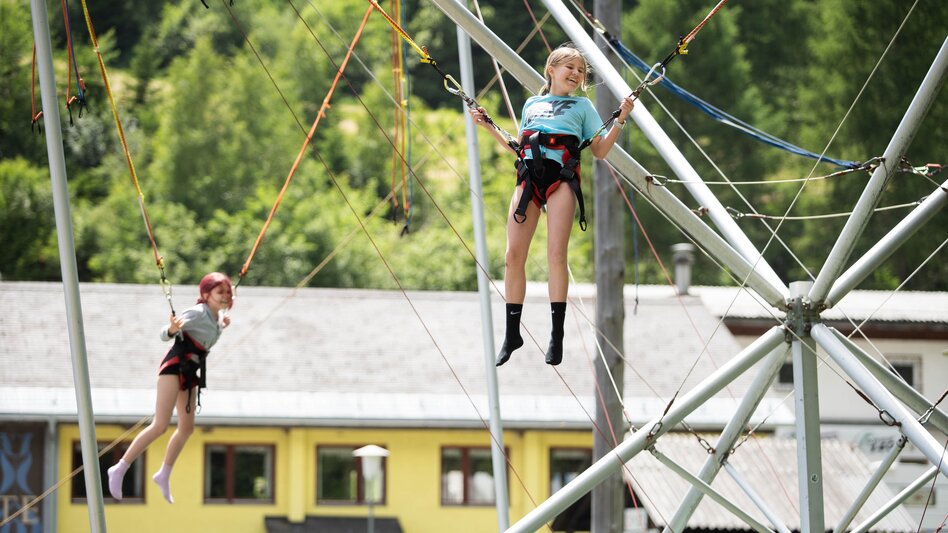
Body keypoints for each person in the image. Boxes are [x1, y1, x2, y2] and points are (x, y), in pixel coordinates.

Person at [470, 43, 633, 367]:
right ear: (552, 69)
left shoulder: (583, 107)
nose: (575, 74)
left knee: (556, 256)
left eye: (580, 71)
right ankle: (512, 332)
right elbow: (519, 145)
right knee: (512, 257)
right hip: (528, 180)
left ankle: (556, 336)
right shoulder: (532, 103)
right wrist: (488, 125)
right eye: (569, 67)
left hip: (561, 182)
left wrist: (621, 119)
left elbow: (599, 151)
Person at [107, 272, 233, 503]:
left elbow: (209, 333)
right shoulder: (197, 313)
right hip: (174, 368)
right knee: (160, 425)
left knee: (186, 428)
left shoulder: (217, 318)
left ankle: (163, 474)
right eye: (219, 292)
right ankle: (120, 467)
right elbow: (164, 334)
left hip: (189, 373)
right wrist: (173, 329)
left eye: (227, 292)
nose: (225, 296)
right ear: (206, 295)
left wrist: (222, 325)